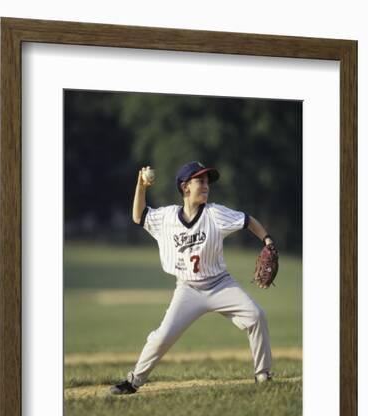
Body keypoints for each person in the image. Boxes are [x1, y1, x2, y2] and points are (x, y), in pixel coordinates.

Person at [110, 161, 276, 395]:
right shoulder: (166, 217)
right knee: (162, 336)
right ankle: (134, 381)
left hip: (220, 284)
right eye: (200, 181)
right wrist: (141, 186)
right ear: (185, 187)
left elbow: (248, 221)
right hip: (188, 289)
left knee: (256, 316)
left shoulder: (215, 213)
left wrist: (267, 240)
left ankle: (263, 374)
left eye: (207, 181)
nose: (206, 185)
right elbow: (139, 216)